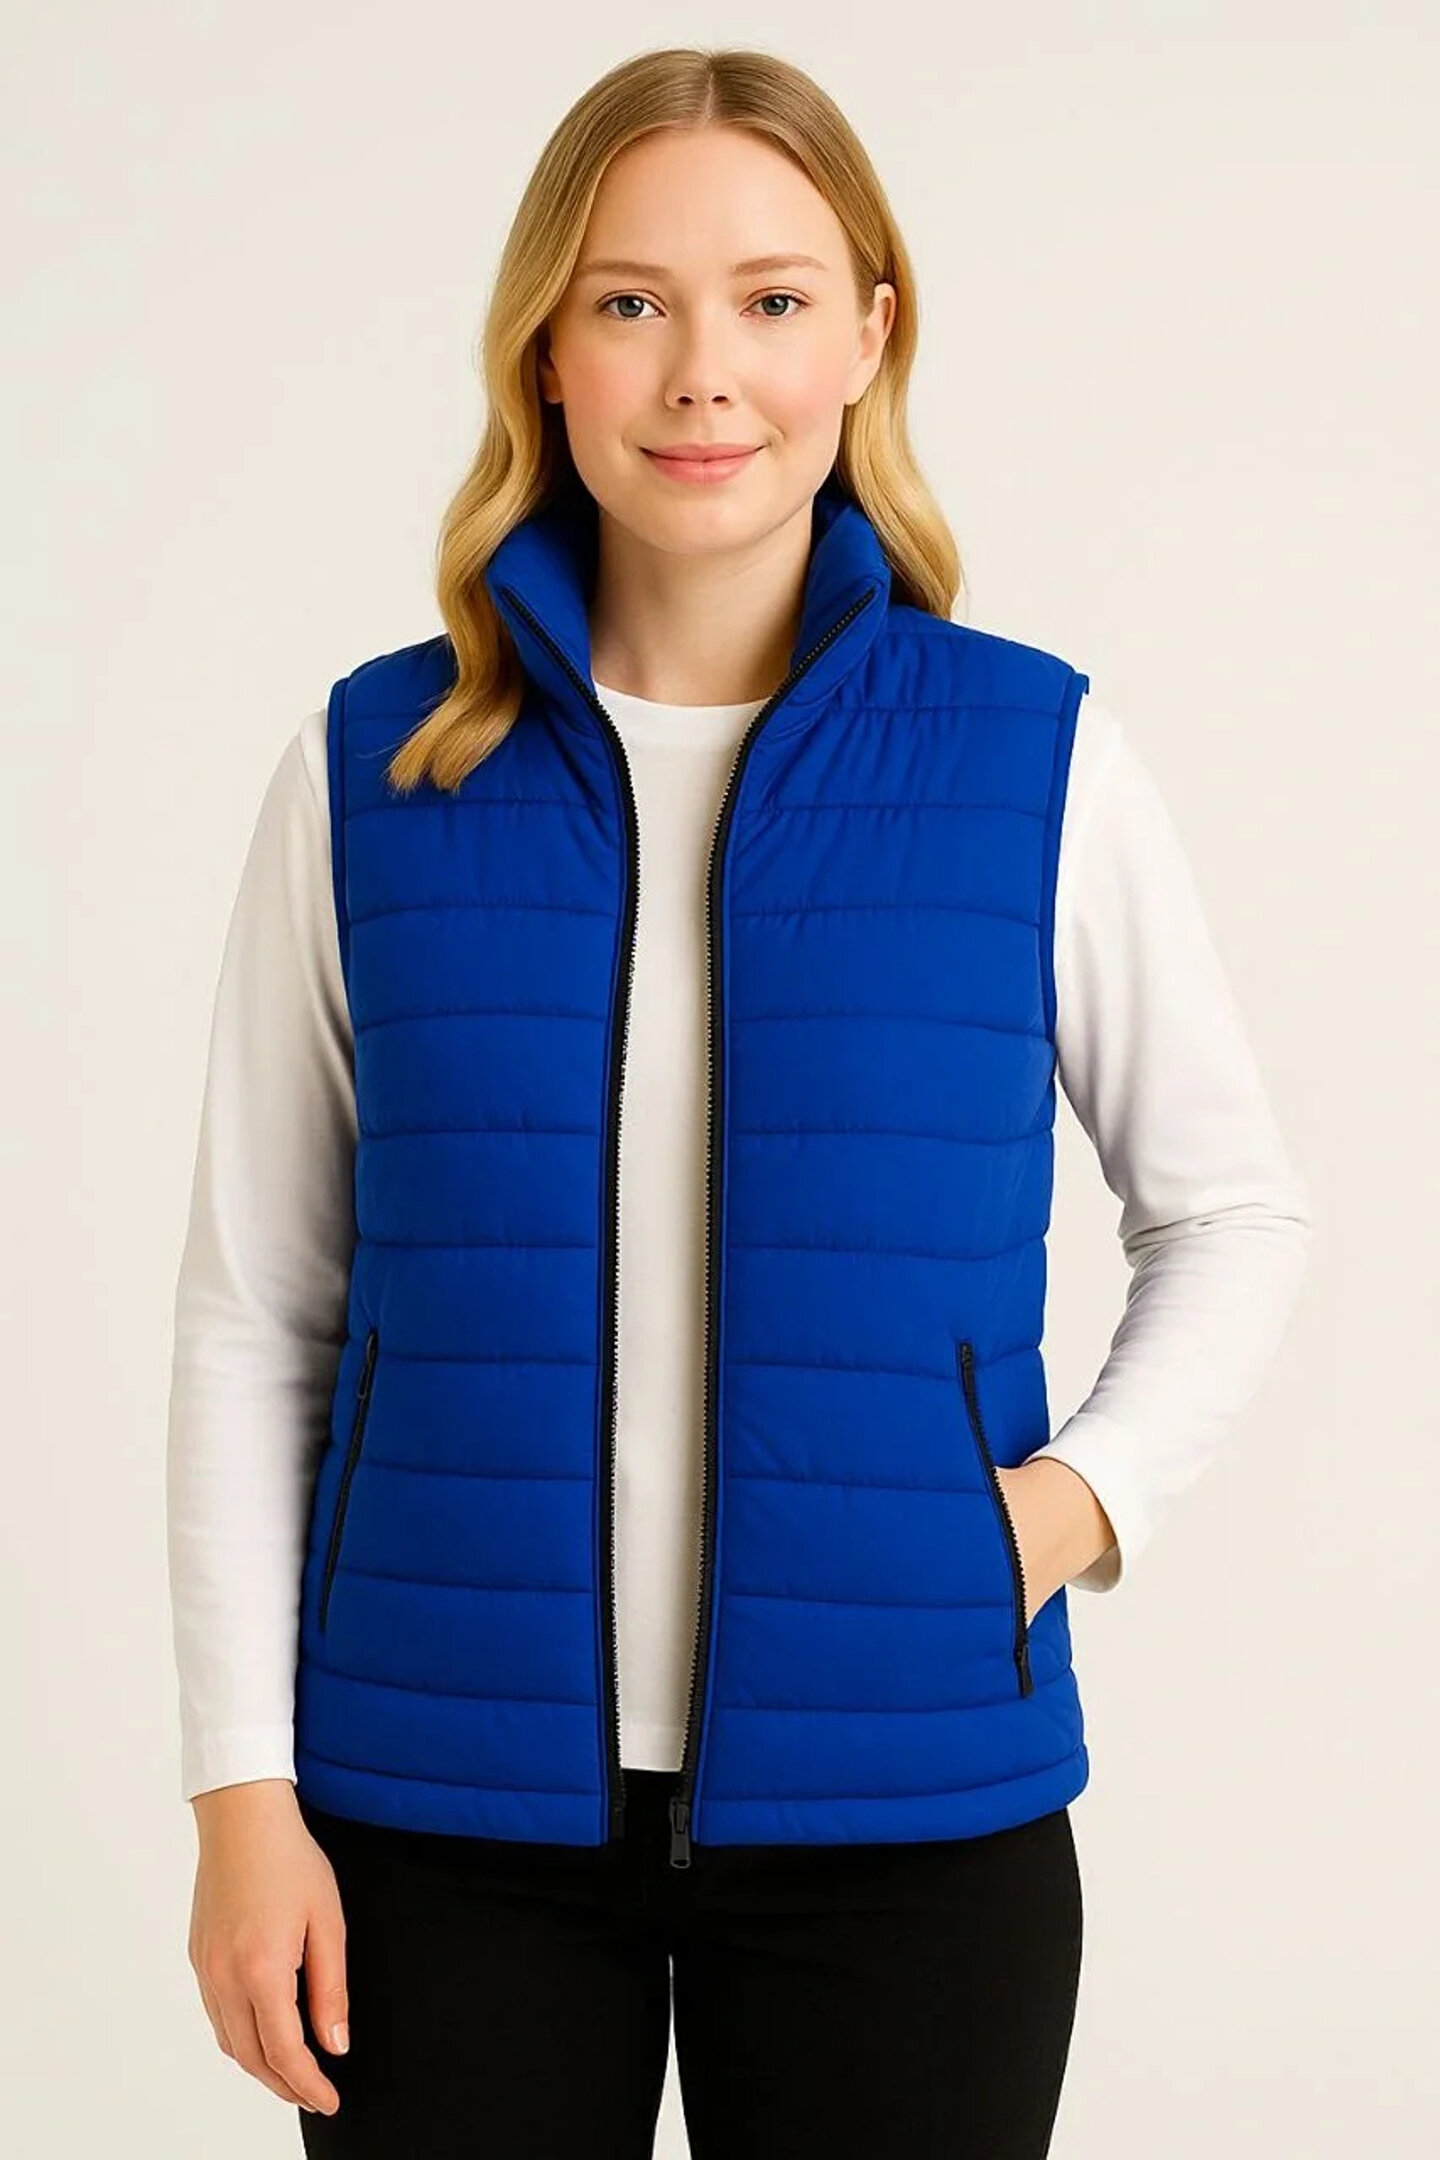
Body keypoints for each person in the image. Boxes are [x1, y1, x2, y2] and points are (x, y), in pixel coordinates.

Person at [166, 44, 1314, 2160]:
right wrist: (243, 1793)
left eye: (772, 299)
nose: (705, 371)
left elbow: (1232, 1209)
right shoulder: (372, 774)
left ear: (868, 334)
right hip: (433, 1820)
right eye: (632, 300)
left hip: (911, 1810)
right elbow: (261, 1312)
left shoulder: (1033, 761)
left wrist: (1076, 1504)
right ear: (547, 348)